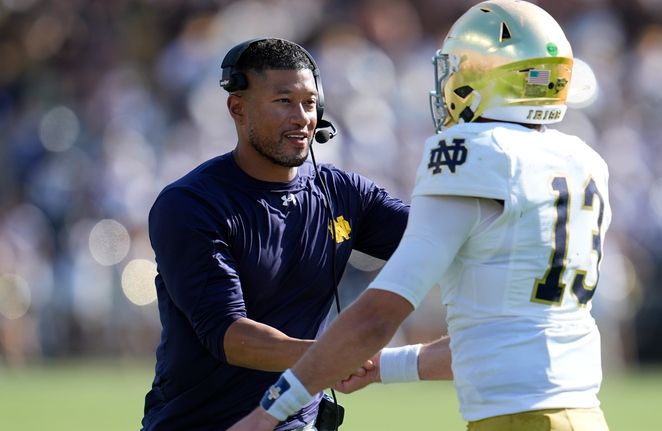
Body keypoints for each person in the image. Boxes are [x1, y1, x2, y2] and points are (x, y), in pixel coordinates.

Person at [228, 1, 612, 431]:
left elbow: (378, 314)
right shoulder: (583, 161)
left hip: (520, 420)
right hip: (581, 415)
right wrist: (382, 368)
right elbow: (502, 336)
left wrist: (271, 411)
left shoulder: (475, 154)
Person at [140, 38, 409, 431]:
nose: (302, 117)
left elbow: (435, 240)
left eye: (310, 103)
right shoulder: (190, 204)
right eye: (284, 101)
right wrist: (332, 355)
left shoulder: (343, 193)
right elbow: (232, 336)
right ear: (238, 108)